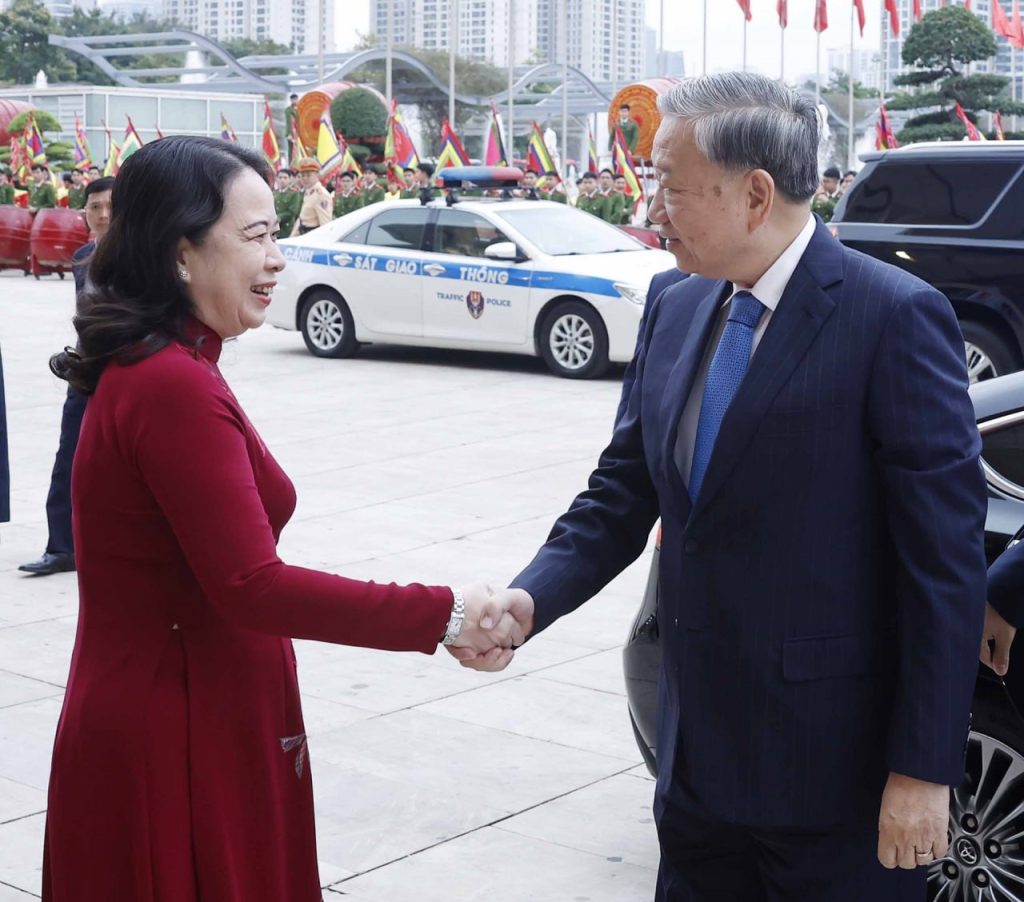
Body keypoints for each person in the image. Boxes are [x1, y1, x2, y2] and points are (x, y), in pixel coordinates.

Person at [458, 72, 988, 900]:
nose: (651, 210)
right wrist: (532, 600)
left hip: (834, 779)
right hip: (695, 765)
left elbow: (943, 566)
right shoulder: (674, 302)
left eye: (670, 187)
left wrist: (923, 770)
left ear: (755, 195)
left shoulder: (892, 318)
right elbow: (622, 490)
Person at [40, 135, 521, 901]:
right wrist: (447, 614)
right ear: (181, 253)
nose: (276, 261)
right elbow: (251, 584)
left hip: (196, 704)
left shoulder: (172, 364)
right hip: (177, 727)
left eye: (278, 235)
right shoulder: (170, 383)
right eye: (257, 236)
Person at [19, 177, 114, 577]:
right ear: (84, 212)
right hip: (85, 371)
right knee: (68, 457)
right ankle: (61, 547)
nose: (103, 215)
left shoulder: (145, 257)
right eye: (95, 207)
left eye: (111, 206)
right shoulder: (81, 258)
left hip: (128, 372)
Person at [292, 157, 332, 235]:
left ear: (317, 175)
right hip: (303, 234)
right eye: (302, 175)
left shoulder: (321, 194)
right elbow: (302, 218)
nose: (305, 178)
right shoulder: (309, 192)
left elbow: (325, 223)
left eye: (308, 175)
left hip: (313, 235)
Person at [273, 168, 302, 239]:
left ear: (290, 179)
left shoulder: (294, 193)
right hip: (274, 228)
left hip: (287, 228)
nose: (282, 180)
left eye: (285, 178)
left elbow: (293, 211)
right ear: (276, 179)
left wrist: (279, 217)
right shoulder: (274, 193)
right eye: (280, 177)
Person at [284, 92, 300, 160]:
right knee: (291, 150)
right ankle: (290, 164)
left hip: (299, 133)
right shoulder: (288, 110)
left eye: (296, 99)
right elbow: (289, 122)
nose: (295, 101)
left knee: (298, 150)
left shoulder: (300, 108)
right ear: (291, 100)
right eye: (293, 99)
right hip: (291, 133)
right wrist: (289, 134)